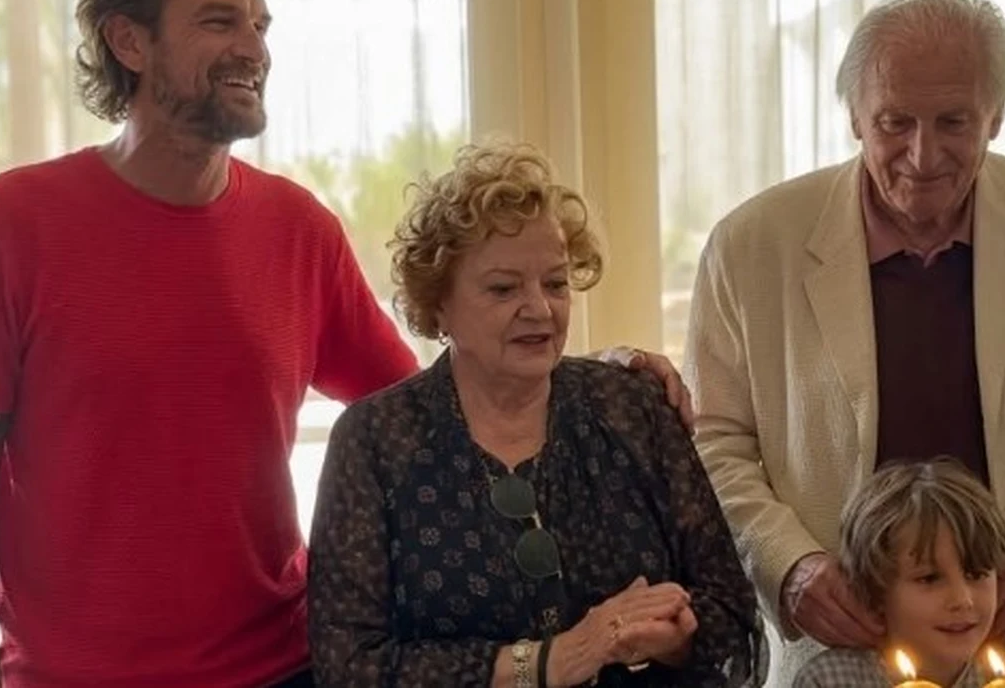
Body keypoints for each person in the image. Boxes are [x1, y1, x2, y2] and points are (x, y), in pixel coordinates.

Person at [0, 0, 689, 687]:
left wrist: (593, 371)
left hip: (281, 669)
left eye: (260, 25)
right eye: (219, 21)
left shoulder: (296, 229)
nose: (254, 48)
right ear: (128, 40)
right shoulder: (11, 223)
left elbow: (440, 406)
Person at [684, 0, 1005, 688]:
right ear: (854, 117)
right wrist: (788, 566)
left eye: (953, 122)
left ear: (996, 117)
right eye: (895, 123)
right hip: (839, 655)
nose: (922, 155)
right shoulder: (751, 244)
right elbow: (712, 444)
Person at [307, 142, 763, 688]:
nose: (541, 309)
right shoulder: (374, 440)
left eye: (556, 283)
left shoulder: (633, 407)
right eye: (504, 289)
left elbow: (737, 621)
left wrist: (675, 639)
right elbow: (348, 665)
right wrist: (547, 662)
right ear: (439, 304)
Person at [791, 460, 1005, 688]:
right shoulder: (830, 680)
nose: (962, 600)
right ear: (875, 588)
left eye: (975, 574)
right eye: (929, 578)